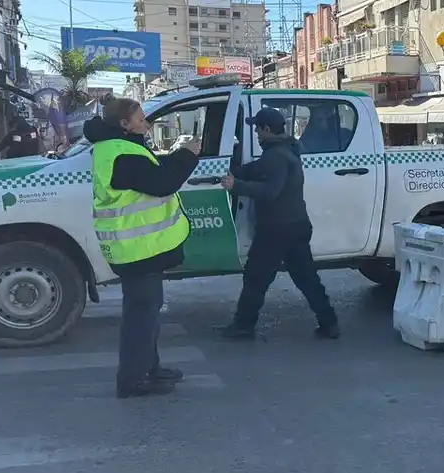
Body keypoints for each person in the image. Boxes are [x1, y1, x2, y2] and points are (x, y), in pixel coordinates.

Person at [84, 95, 200, 398]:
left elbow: (151, 174)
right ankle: (133, 380)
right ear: (124, 124)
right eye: (140, 119)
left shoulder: (117, 147)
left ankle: (150, 368)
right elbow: (161, 182)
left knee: (146, 312)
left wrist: (175, 157)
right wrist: (186, 155)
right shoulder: (121, 153)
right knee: (141, 316)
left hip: (137, 248)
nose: (146, 124)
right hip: (136, 249)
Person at [218, 106, 338, 340]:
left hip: (276, 229)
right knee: (307, 279)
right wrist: (235, 172)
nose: (256, 135)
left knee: (256, 277)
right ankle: (330, 323)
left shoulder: (275, 156)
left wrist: (236, 186)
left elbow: (271, 191)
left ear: (266, 129)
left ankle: (243, 326)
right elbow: (256, 170)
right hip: (296, 224)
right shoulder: (286, 150)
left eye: (257, 130)